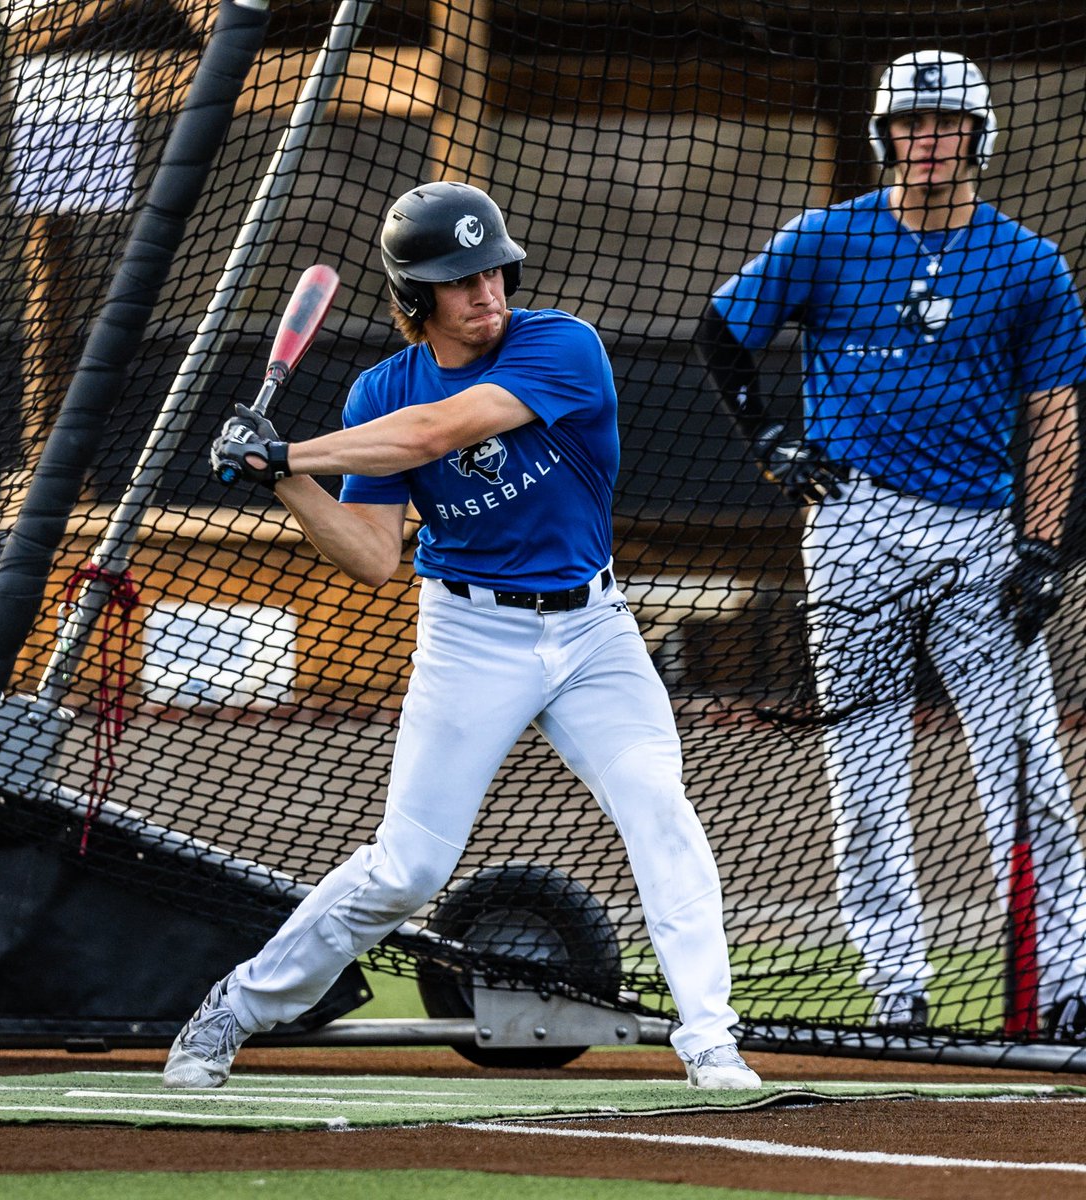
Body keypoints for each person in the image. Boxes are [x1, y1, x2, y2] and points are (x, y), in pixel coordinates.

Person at [163, 180, 761, 1089]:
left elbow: (441, 432)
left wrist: (290, 451)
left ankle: (710, 1038)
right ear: (414, 298)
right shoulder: (380, 389)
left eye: (494, 271)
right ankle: (236, 1008)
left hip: (593, 627)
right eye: (460, 279)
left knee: (658, 807)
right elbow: (369, 555)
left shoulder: (561, 344)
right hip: (470, 638)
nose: (487, 293)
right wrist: (277, 480)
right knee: (408, 869)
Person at [697, 48, 1086, 1040]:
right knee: (863, 779)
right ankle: (894, 994)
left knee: (1027, 767)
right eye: (909, 126)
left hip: (977, 532)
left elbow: (1054, 416)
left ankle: (1066, 986)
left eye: (944, 124)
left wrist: (1041, 548)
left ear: (977, 137)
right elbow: (719, 332)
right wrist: (769, 441)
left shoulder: (1029, 263)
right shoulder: (826, 240)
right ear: (885, 138)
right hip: (854, 526)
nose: (926, 142)